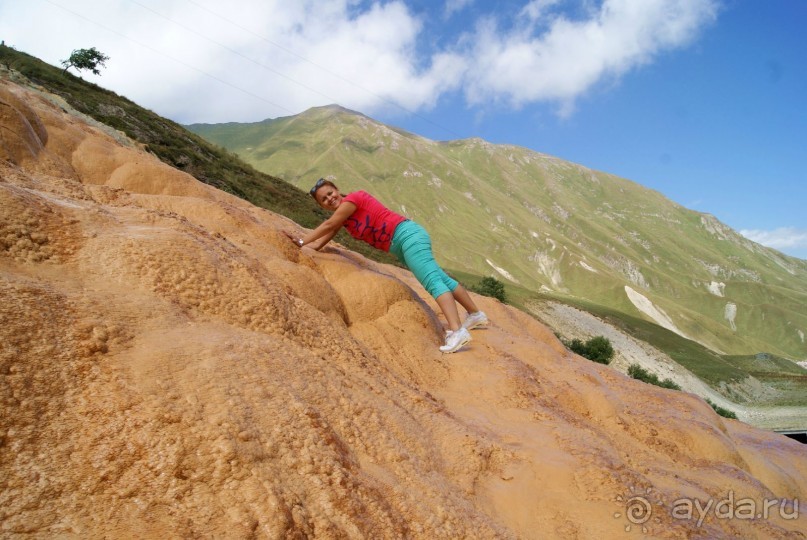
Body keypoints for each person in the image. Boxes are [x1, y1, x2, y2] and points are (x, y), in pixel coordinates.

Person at [285, 178, 488, 353]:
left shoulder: (353, 199)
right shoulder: (344, 218)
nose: (330, 199)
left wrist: (302, 241)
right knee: (441, 278)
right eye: (324, 199)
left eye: (330, 193)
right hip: (402, 243)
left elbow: (328, 225)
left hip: (407, 236)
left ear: (337, 190)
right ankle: (475, 315)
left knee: (433, 282)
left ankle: (457, 331)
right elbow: (330, 231)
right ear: (322, 205)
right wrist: (315, 247)